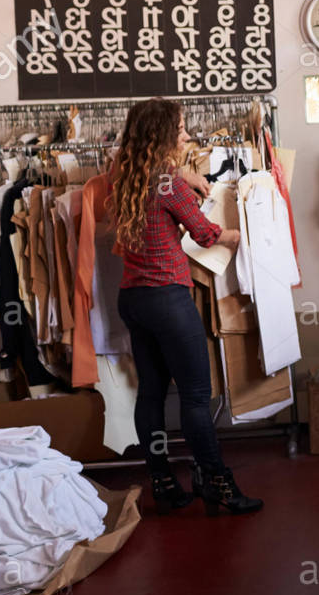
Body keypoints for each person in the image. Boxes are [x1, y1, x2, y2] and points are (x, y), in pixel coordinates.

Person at [109, 98, 261, 516]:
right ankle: (219, 484)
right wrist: (234, 235)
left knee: (152, 394)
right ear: (161, 136)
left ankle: (161, 480)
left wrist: (184, 171)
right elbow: (205, 234)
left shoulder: (123, 174)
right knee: (196, 395)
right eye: (179, 130)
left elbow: (157, 180)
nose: (187, 136)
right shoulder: (170, 186)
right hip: (168, 299)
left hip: (133, 299)